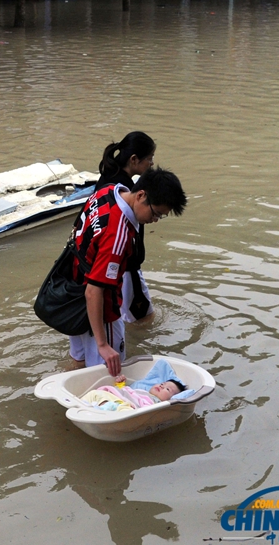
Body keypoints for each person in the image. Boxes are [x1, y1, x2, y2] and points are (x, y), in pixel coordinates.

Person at [67, 166, 187, 377]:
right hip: (101, 309)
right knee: (109, 373)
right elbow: (94, 292)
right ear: (141, 195)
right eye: (156, 213)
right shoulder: (118, 233)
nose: (155, 220)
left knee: (79, 362)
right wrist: (103, 344)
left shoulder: (108, 191)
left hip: (74, 296)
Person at [95, 131, 157, 326]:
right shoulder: (124, 189)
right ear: (134, 159)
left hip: (107, 262)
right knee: (144, 321)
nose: (151, 164)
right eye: (149, 159)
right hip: (124, 264)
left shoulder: (108, 177)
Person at [81, 378, 185, 411]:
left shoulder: (157, 404)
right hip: (116, 398)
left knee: (127, 412)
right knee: (95, 393)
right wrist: (120, 384)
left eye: (167, 389)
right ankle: (82, 404)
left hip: (126, 407)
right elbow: (124, 392)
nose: (162, 386)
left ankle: (101, 409)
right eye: (162, 384)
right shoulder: (140, 391)